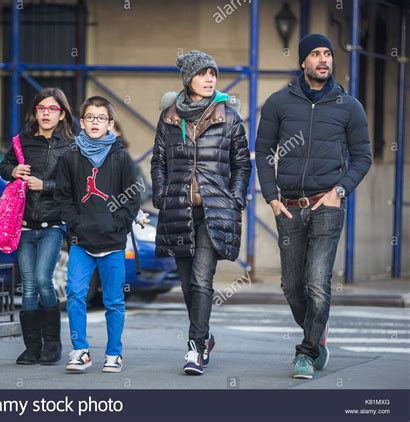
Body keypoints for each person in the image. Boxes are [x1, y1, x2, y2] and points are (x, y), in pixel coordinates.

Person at [255, 34, 372, 379]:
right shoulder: (278, 103)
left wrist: (340, 190)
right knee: (292, 286)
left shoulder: (349, 106)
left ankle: (306, 352)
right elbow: (262, 152)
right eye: (316, 54)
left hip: (327, 205)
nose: (323, 60)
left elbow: (363, 157)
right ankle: (317, 334)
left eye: (327, 54)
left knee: (318, 283)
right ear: (303, 61)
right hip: (289, 207)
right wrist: (271, 196)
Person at [151, 50, 251, 375]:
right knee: (186, 284)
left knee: (201, 278)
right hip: (178, 209)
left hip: (214, 210)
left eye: (213, 73)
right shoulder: (169, 117)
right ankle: (205, 336)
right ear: (188, 79)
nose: (210, 79)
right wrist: (161, 194)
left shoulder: (229, 117)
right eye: (203, 73)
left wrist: (235, 199)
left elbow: (241, 165)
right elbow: (159, 161)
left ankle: (195, 349)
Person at [54, 96, 140, 373]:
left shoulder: (121, 157)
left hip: (113, 242)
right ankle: (80, 351)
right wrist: (75, 223)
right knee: (76, 295)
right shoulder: (70, 156)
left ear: (110, 124)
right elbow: (62, 195)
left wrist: (118, 223)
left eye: (101, 118)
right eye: (90, 117)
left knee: (113, 301)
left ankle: (114, 353)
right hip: (81, 241)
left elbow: (133, 197)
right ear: (82, 122)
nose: (95, 122)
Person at [0, 87, 74, 365]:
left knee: (43, 279)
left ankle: (53, 344)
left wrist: (46, 185)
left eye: (52, 109)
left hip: (53, 224)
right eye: (41, 108)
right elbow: (4, 167)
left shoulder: (71, 146)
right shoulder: (22, 142)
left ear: (62, 114)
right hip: (25, 224)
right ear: (35, 112)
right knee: (28, 285)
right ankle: (32, 347)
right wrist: (13, 171)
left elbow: (73, 186)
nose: (46, 113)